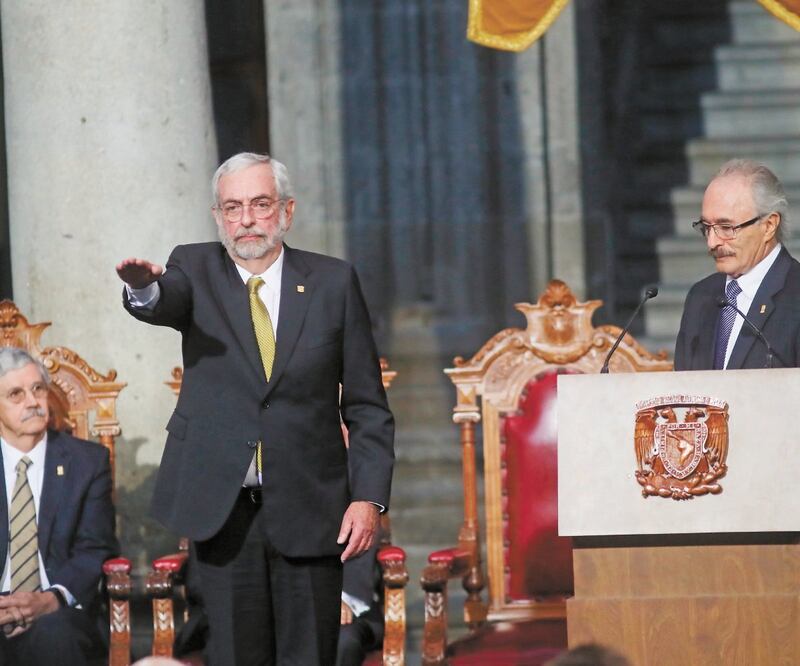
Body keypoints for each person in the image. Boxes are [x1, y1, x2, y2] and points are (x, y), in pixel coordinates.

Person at [117, 152, 394, 665]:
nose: (246, 219)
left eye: (260, 204)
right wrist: (142, 288)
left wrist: (369, 499)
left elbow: (368, 407)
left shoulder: (333, 282)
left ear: (286, 211)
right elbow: (164, 299)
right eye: (232, 207)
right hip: (224, 514)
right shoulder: (195, 267)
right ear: (218, 216)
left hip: (312, 510)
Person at [0, 347, 118, 665]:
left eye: (38, 389)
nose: (32, 402)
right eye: (16, 394)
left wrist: (49, 599)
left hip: (56, 609)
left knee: (55, 635)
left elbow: (95, 548)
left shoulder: (87, 462)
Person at [674, 159, 800, 370]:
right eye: (706, 227)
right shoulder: (700, 296)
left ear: (769, 226)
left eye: (726, 227)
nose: (712, 242)